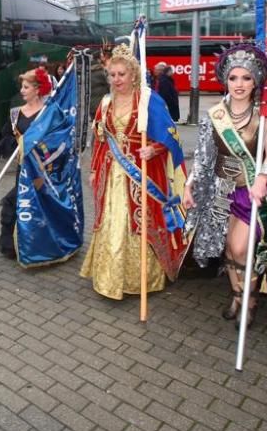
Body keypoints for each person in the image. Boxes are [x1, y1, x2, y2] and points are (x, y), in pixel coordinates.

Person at [183, 44, 267, 327]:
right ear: (225, 80)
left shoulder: (265, 115)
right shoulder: (214, 114)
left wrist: (262, 179)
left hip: (252, 188)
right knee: (228, 248)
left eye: (246, 78)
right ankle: (237, 295)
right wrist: (190, 185)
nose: (239, 84)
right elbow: (204, 156)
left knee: (241, 248)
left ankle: (248, 298)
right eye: (234, 78)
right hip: (222, 189)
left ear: (257, 80)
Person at [80, 45, 187, 299]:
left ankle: (141, 278)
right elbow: (100, 140)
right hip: (111, 174)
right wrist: (94, 169)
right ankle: (109, 277)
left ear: (133, 75)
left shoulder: (149, 101)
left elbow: (172, 136)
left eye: (121, 74)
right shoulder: (105, 103)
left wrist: (155, 149)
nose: (116, 80)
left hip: (141, 173)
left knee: (140, 221)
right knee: (111, 220)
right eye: (112, 75)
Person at [0, 67, 50, 259]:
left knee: (39, 204)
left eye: (26, 87)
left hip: (43, 170)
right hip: (23, 168)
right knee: (17, 202)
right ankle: (12, 243)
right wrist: (14, 143)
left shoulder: (47, 113)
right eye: (22, 86)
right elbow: (7, 137)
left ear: (37, 89)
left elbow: (55, 141)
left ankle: (41, 244)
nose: (22, 90)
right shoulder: (16, 113)